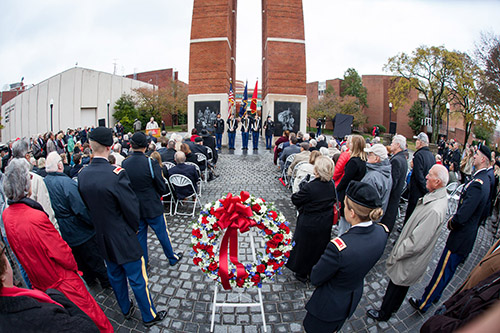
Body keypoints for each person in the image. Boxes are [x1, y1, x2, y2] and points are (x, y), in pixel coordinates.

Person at [2, 159, 113, 332]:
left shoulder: (7, 215)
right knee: (93, 318)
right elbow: (61, 252)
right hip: (60, 280)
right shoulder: (34, 217)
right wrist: (74, 268)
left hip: (39, 280)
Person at [78, 127, 166, 327]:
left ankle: (125, 309)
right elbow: (131, 207)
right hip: (123, 236)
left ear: (91, 147)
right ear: (109, 147)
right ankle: (148, 315)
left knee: (116, 276)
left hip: (102, 235)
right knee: (137, 278)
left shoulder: (83, 175)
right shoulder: (116, 174)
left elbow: (87, 207)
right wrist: (133, 228)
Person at [409, 144, 492, 313]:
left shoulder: (478, 183)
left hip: (460, 237)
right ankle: (435, 295)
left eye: (476, 155)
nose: (473, 157)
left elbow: (463, 215)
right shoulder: (485, 179)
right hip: (467, 235)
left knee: (443, 271)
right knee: (446, 271)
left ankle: (425, 302)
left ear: (483, 159)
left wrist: (451, 223)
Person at [366, 164, 449, 321]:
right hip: (412, 257)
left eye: (429, 175)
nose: (426, 176)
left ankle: (384, 312)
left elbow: (417, 241)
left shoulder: (434, 209)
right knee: (400, 286)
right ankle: (392, 308)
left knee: (396, 285)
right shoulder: (437, 198)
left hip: (409, 258)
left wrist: (398, 252)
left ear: (437, 182)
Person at [304, 181, 388, 332]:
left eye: (345, 205)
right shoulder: (381, 232)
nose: (342, 207)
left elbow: (316, 277)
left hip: (328, 306)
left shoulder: (339, 247)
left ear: (352, 213)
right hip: (350, 298)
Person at [0, 239, 99, 332]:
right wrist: (63, 301)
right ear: (2, 274)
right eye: (4, 254)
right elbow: (88, 329)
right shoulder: (38, 315)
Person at [44, 152, 111, 289]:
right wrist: (92, 223)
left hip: (63, 229)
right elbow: (80, 208)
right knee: (94, 258)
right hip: (79, 229)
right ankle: (105, 282)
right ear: (59, 165)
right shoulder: (65, 183)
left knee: (79, 259)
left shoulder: (45, 182)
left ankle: (90, 280)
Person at [122, 132, 183, 267]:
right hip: (152, 205)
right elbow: (161, 185)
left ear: (131, 145)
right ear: (146, 146)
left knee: (141, 236)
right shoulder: (150, 162)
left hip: (135, 206)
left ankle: (144, 261)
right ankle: (171, 257)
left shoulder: (125, 163)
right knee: (162, 233)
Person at [286, 156, 336, 283]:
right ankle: (314, 270)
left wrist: (302, 187)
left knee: (304, 248)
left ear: (317, 171)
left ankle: (301, 272)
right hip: (325, 221)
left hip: (309, 222)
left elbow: (295, 199)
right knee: (319, 248)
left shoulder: (311, 187)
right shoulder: (331, 185)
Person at [11, 139, 57, 230]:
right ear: (27, 156)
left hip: (17, 231)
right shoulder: (35, 179)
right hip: (36, 229)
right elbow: (47, 211)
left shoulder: (8, 180)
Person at [336, 135, 367, 235]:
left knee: (344, 222)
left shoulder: (353, 162)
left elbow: (346, 179)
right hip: (355, 192)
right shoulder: (363, 161)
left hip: (347, 193)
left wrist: (337, 189)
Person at [404, 132, 435, 224]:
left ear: (421, 142)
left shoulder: (419, 155)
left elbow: (418, 175)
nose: (415, 142)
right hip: (425, 190)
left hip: (417, 190)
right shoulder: (431, 156)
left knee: (411, 211)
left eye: (417, 140)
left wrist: (424, 188)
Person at [380, 134, 408, 232]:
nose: (391, 144)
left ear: (397, 145)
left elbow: (392, 183)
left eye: (392, 143)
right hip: (394, 200)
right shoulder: (402, 158)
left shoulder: (396, 160)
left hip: (390, 201)